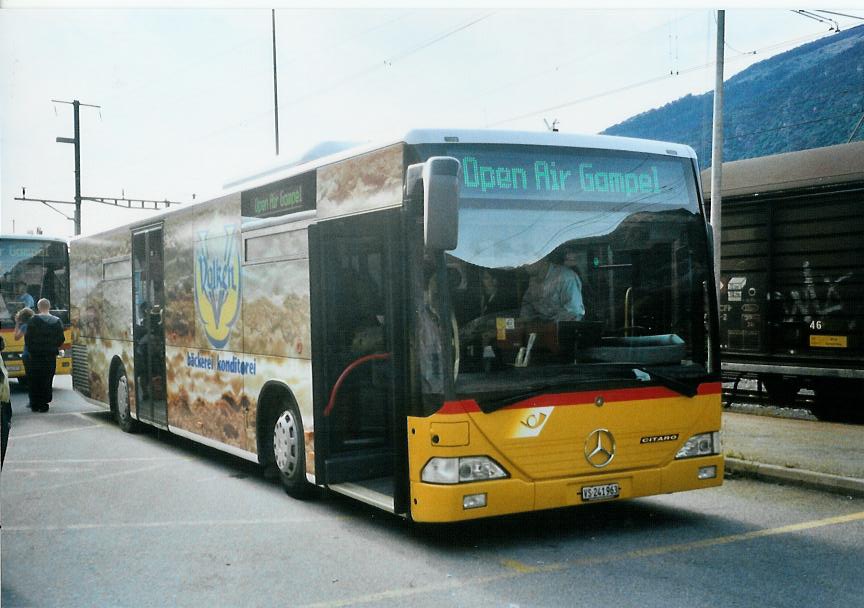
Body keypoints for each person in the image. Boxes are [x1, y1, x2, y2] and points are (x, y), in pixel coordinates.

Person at [22, 298, 65, 413]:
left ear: (38, 307)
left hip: (35, 356)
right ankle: (44, 402)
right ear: (49, 307)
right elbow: (61, 339)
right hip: (50, 355)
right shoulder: (57, 321)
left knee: (34, 379)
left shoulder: (33, 320)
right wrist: (53, 346)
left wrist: (32, 350)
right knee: (47, 378)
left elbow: (28, 339)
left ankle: (35, 403)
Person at [520, 258, 585, 322]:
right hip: (541, 328)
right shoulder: (533, 279)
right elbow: (528, 304)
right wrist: (524, 322)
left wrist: (551, 325)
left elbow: (574, 312)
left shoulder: (566, 277)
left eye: (530, 259)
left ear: (543, 258)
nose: (524, 264)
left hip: (563, 328)